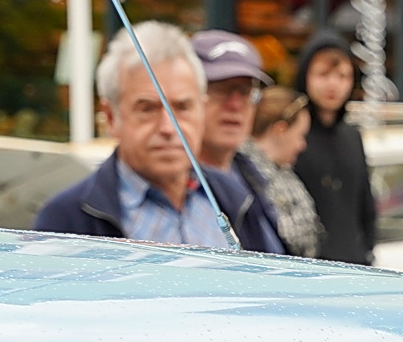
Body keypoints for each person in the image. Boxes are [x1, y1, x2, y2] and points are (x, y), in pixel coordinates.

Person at [34, 21, 279, 253]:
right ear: (111, 117)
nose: (168, 127)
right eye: (147, 108)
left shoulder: (236, 196)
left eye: (182, 107)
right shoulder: (67, 220)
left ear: (201, 110)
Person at [191, 29, 284, 255]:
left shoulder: (254, 175)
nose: (235, 105)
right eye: (221, 89)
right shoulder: (178, 191)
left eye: (245, 92)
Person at [293, 30, 376, 264]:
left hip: (355, 268)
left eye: (342, 76)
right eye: (323, 74)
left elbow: (366, 206)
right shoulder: (292, 136)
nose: (333, 85)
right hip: (308, 271)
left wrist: (367, 251)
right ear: (305, 76)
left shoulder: (352, 137)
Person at [244, 87, 325, 259]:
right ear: (281, 130)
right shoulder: (247, 174)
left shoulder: (283, 171)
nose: (302, 145)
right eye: (300, 135)